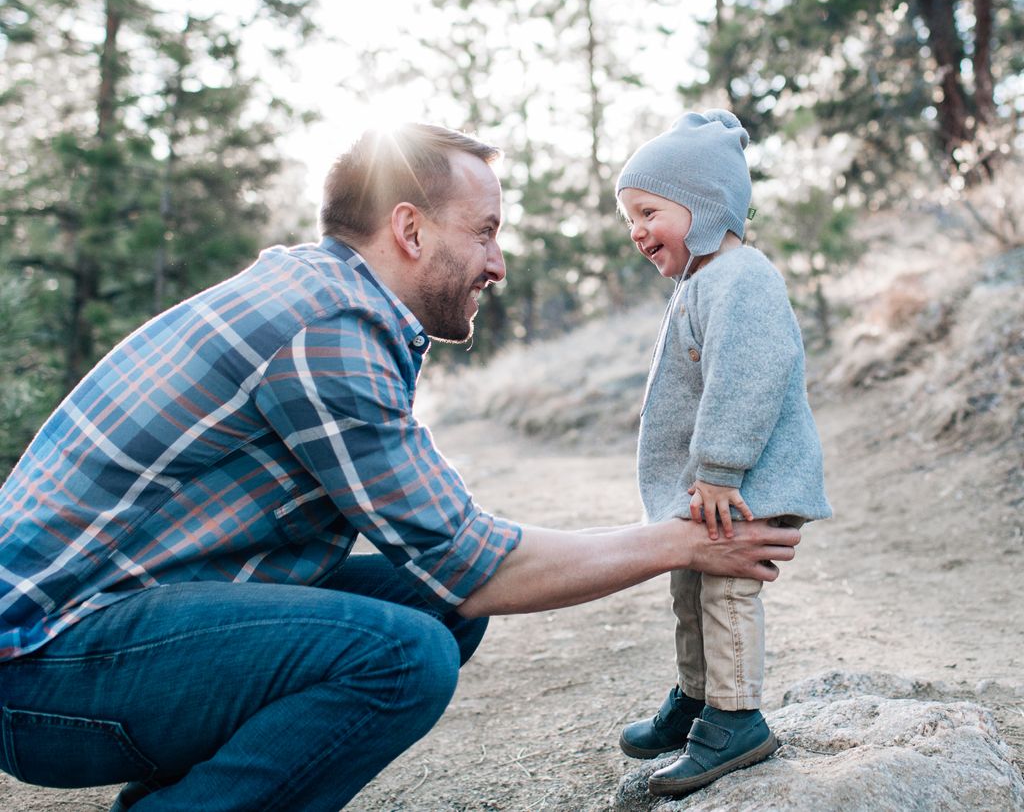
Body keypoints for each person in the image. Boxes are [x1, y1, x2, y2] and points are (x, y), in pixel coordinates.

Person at [0, 123, 801, 811]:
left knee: (441, 609)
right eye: (485, 231)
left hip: (105, 625)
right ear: (411, 230)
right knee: (404, 654)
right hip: (41, 669)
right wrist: (684, 541)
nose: (498, 263)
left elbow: (450, 555)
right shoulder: (327, 330)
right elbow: (479, 561)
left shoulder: (323, 301)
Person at [614, 110, 832, 796]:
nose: (638, 231)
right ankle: (699, 693)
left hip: (740, 486)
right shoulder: (701, 283)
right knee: (690, 586)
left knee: (725, 593)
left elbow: (750, 375)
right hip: (708, 489)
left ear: (704, 203)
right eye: (630, 220)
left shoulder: (743, 275)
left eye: (649, 210)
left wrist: (717, 466)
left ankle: (736, 717)